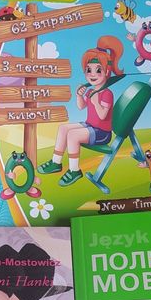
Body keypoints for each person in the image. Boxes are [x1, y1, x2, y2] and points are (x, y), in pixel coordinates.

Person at [38, 35, 124, 187]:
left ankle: (74, 170)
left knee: (73, 135)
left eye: (98, 70)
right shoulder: (91, 91)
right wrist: (79, 95)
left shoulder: (107, 93)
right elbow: (81, 106)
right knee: (63, 128)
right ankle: (56, 162)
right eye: (88, 70)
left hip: (102, 133)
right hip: (90, 125)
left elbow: (102, 115)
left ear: (107, 72)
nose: (92, 74)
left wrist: (96, 102)